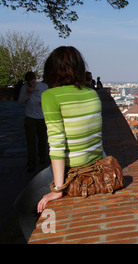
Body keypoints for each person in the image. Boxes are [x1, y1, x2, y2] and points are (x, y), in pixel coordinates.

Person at [14, 46, 105, 242]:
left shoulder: (50, 96)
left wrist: (57, 188)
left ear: (52, 70)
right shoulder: (92, 93)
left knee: (21, 207)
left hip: (72, 168)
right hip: (97, 163)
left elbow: (56, 145)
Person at [17, 72, 49, 172]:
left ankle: (42, 158)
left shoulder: (43, 86)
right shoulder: (24, 88)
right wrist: (27, 94)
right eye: (29, 83)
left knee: (42, 139)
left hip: (41, 117)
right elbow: (20, 102)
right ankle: (31, 162)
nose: (32, 85)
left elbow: (48, 99)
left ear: (36, 79)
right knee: (31, 141)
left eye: (33, 82)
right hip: (30, 116)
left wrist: (43, 102)